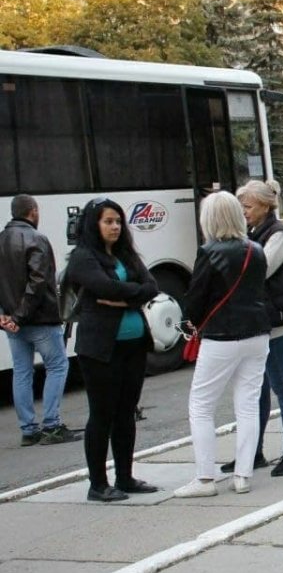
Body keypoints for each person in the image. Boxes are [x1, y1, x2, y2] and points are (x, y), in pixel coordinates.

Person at [174, 191, 270, 498]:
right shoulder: (255, 249)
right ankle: (243, 474)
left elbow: (196, 296)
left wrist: (189, 318)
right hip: (257, 333)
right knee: (247, 404)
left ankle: (204, 478)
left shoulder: (209, 251)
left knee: (201, 405)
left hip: (221, 337)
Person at [65, 198, 160, 501]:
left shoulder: (126, 254)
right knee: (102, 414)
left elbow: (152, 286)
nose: (115, 227)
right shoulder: (83, 257)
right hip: (100, 349)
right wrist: (133, 295)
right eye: (108, 221)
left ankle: (125, 477)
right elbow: (104, 288)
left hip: (134, 345)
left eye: (118, 221)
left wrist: (125, 300)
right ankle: (98, 484)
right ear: (94, 224)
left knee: (126, 414)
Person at [227, 180, 283, 477]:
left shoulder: (278, 234)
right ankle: (254, 451)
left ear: (265, 205)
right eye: (241, 206)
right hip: (258, 322)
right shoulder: (253, 233)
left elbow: (256, 273)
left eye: (247, 206)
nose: (243, 211)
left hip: (274, 322)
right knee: (256, 391)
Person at [0, 194, 79, 447]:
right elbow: (38, 282)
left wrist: (6, 317)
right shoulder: (37, 239)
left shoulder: (1, 240)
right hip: (39, 319)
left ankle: (28, 430)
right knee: (57, 366)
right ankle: (52, 425)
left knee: (21, 371)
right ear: (32, 212)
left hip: (12, 321)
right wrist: (20, 316)